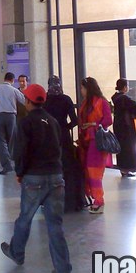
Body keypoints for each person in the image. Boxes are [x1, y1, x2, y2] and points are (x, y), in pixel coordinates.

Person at [0, 83, 72, 273]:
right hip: (56, 177)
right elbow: (58, 147)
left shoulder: (25, 123)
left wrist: (19, 172)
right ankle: (63, 268)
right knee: (55, 225)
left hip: (34, 178)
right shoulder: (53, 122)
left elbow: (20, 151)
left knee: (25, 218)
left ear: (27, 101)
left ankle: (16, 252)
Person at [44, 75, 83, 212]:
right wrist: (65, 127)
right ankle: (69, 197)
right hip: (63, 136)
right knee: (66, 166)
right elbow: (75, 120)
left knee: (50, 166)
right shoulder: (66, 99)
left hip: (48, 137)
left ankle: (50, 197)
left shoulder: (45, 99)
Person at [78, 76, 112, 213]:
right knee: (88, 169)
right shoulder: (86, 102)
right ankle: (94, 197)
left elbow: (108, 120)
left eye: (82, 88)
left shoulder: (101, 102)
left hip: (96, 141)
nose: (81, 90)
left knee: (94, 170)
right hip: (85, 140)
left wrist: (94, 125)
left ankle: (99, 200)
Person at [111, 78, 136, 177]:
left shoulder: (115, 97)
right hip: (126, 126)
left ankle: (122, 169)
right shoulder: (124, 98)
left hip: (117, 124)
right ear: (124, 87)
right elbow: (135, 107)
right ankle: (128, 168)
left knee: (121, 147)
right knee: (129, 147)